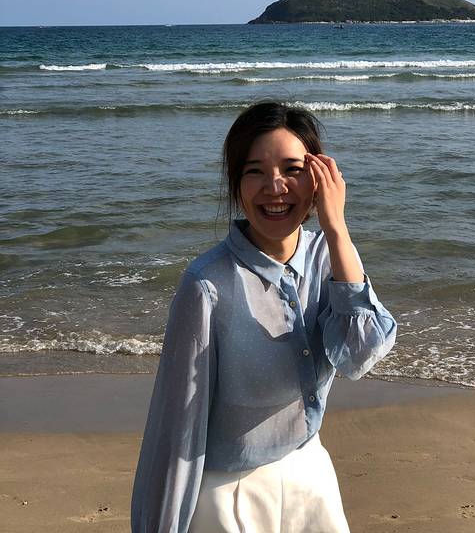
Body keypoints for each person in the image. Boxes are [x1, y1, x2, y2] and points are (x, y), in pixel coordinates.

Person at [131, 101, 397, 533]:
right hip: (229, 494)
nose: (275, 187)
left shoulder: (329, 255)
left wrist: (337, 227)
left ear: (319, 178)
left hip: (311, 474)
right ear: (237, 186)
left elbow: (359, 356)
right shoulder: (206, 283)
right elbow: (175, 423)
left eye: (293, 169)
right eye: (255, 171)